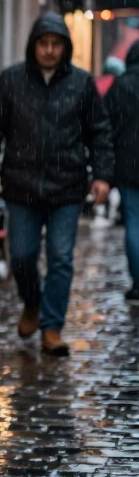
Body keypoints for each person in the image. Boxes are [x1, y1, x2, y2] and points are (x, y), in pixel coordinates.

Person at [0, 13, 113, 356]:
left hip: (67, 186)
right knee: (21, 255)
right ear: (33, 45)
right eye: (44, 43)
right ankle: (32, 303)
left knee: (61, 257)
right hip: (21, 185)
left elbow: (100, 133)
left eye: (56, 44)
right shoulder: (12, 81)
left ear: (65, 47)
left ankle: (52, 327)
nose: (50, 50)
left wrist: (102, 175)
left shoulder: (81, 84)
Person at [104, 40, 139, 301]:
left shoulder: (121, 85)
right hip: (127, 161)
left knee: (133, 222)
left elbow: (105, 123)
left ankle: (138, 282)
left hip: (128, 164)